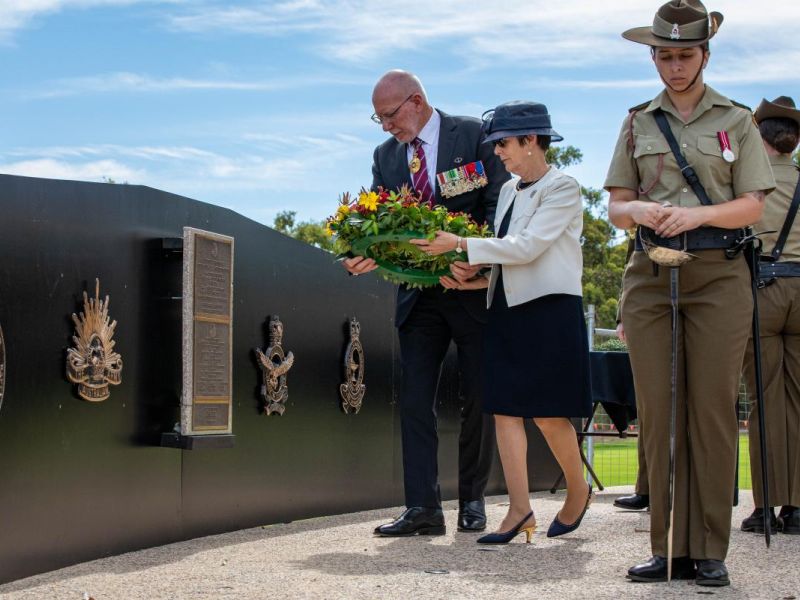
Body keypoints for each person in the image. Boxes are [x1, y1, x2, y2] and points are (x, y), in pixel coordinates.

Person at [605, 0, 775, 586]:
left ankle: (709, 550)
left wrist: (696, 214)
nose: (675, 67)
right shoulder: (636, 122)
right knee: (658, 413)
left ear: (705, 54)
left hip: (719, 273)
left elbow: (754, 203)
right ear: (653, 56)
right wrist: (642, 209)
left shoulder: (738, 119)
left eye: (685, 55)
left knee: (710, 410)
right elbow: (616, 207)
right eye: (665, 56)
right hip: (650, 277)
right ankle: (667, 549)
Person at [412, 100, 593, 543]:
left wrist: (462, 243)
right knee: (504, 413)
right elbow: (508, 252)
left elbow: (528, 247)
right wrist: (476, 279)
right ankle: (518, 510)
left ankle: (578, 490)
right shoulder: (510, 190)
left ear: (532, 141)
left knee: (549, 415)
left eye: (505, 144)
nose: (499, 153)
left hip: (550, 310)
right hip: (508, 308)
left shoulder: (563, 188)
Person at [343, 70, 509, 536]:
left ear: (416, 101)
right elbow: (376, 218)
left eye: (390, 116)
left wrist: (479, 260)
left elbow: (497, 204)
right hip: (417, 296)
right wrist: (361, 252)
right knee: (415, 400)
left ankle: (472, 501)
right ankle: (422, 508)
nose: (386, 127)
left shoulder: (474, 135)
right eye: (378, 119)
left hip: (470, 288)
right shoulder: (386, 155)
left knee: (478, 398)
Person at [740, 96, 800, 536]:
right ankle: (796, 508)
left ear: (760, 139)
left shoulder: (749, 185)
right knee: (798, 403)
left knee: (763, 401)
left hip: (761, 290)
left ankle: (764, 507)